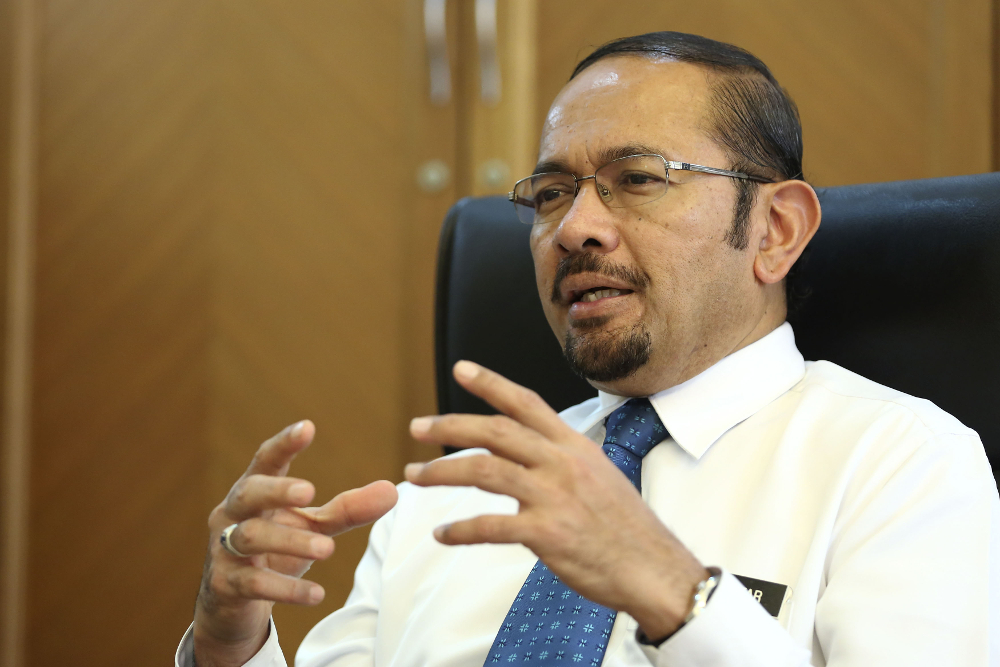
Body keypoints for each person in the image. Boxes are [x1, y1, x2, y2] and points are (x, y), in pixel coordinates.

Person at [177, 32, 998, 667]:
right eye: (551, 193)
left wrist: (679, 596)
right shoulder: (448, 500)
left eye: (637, 178)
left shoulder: (903, 464)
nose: (573, 228)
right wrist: (227, 642)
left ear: (775, 230)